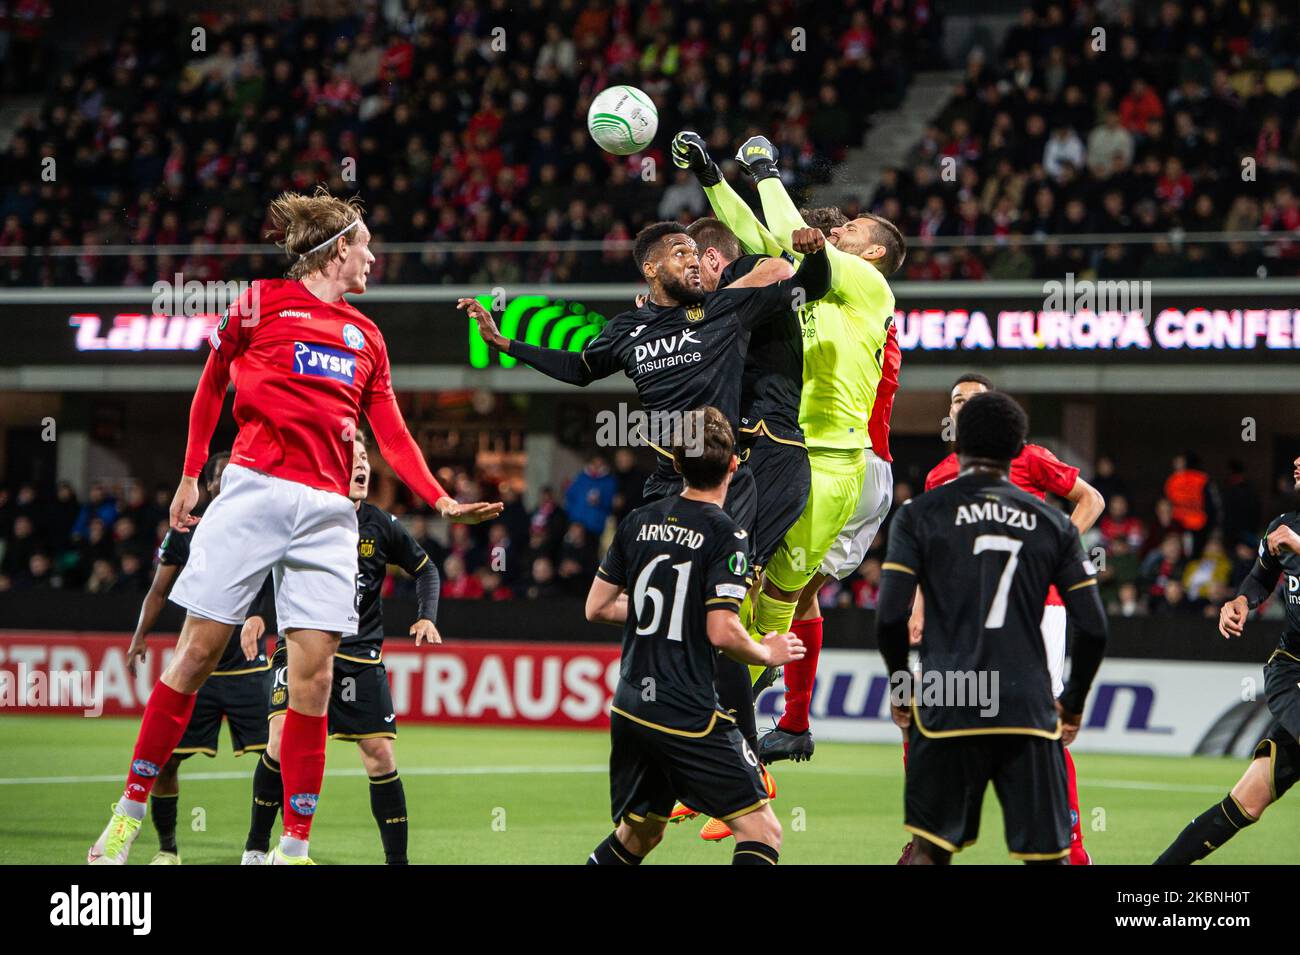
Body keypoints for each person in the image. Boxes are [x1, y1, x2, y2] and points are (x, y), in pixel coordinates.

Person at [88, 187, 501, 866]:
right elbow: (212, 380)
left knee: (312, 681)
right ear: (338, 249)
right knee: (194, 656)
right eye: (365, 245)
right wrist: (193, 472)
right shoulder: (259, 302)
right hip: (253, 490)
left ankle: (292, 847)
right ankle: (127, 819)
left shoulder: (368, 335)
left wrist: (440, 498)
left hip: (330, 513)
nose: (373, 257)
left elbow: (389, 430)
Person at [461, 218, 831, 780]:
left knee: (717, 613)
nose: (694, 259)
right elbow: (580, 369)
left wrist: (816, 252)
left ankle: (745, 755)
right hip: (665, 485)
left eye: (696, 250)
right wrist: (503, 342)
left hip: (726, 483)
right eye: (681, 252)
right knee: (640, 612)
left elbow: (811, 288)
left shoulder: (725, 310)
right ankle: (686, 737)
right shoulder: (629, 330)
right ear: (651, 268)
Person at [674, 131, 905, 776]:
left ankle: (734, 742)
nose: (841, 229)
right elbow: (763, 236)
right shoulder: (819, 280)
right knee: (750, 595)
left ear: (876, 252)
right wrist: (715, 179)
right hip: (792, 456)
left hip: (839, 464)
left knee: (778, 600)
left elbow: (790, 230)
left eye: (854, 227)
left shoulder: (866, 285)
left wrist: (768, 171)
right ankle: (732, 737)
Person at [876, 391, 1109, 864]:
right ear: (1018, 448)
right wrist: (1073, 704)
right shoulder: (1053, 525)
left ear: (957, 442)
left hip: (948, 696)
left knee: (927, 851)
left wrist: (903, 692)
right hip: (1025, 702)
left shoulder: (918, 515)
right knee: (1049, 856)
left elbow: (888, 618)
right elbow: (1094, 627)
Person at [582, 407, 804, 865]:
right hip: (686, 711)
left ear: (677, 464)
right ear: (734, 465)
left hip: (630, 707)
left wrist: (674, 611)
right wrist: (767, 651)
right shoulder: (727, 534)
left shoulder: (638, 521)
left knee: (638, 836)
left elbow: (598, 607)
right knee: (763, 830)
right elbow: (722, 630)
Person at [241, 433, 441, 865]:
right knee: (278, 741)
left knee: (381, 756)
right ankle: (257, 848)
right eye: (353, 458)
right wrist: (257, 612)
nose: (363, 466)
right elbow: (261, 562)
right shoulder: (301, 514)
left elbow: (426, 569)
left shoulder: (382, 525)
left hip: (358, 659)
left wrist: (428, 615)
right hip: (300, 650)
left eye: (366, 458)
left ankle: (397, 862)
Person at [122, 451, 273, 865]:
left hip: (248, 666)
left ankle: (258, 848)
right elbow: (157, 590)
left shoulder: (264, 526)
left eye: (239, 475)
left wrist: (262, 614)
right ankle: (168, 849)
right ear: (208, 485)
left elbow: (279, 580)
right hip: (198, 673)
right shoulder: (187, 530)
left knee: (276, 757)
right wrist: (139, 637)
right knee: (166, 762)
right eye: (223, 476)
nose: (231, 483)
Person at [1155, 455, 1300, 863]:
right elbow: (1260, 577)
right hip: (1294, 669)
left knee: (1246, 801)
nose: (1296, 461)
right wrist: (1239, 601)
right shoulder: (1283, 526)